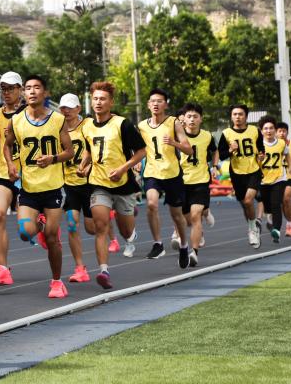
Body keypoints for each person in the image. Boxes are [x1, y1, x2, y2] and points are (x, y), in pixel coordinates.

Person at [4, 75, 75, 298]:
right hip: (28, 188)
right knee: (25, 232)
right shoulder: (16, 120)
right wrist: (10, 165)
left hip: (53, 187)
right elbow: (7, 146)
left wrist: (53, 158)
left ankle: (56, 282)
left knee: (53, 238)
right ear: (24, 93)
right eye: (28, 88)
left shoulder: (57, 120)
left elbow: (69, 151)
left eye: (37, 88)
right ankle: (40, 226)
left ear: (45, 93)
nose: (32, 91)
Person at [79, 81, 147, 290]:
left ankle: (130, 234)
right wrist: (83, 165)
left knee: (126, 231)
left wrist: (123, 169)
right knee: (101, 226)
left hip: (122, 184)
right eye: (95, 98)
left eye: (103, 99)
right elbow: (90, 149)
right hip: (98, 183)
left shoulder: (122, 124)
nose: (98, 102)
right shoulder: (87, 125)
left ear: (111, 102)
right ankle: (104, 271)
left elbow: (141, 151)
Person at [138, 88, 192, 267]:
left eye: (159, 101)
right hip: (152, 172)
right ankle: (158, 244)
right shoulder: (142, 125)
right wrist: (137, 161)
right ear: (148, 104)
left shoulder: (174, 123)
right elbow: (137, 148)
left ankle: (184, 246)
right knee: (151, 204)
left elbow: (188, 149)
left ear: (166, 104)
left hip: (172, 174)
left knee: (176, 215)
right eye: (152, 101)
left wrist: (174, 143)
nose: (155, 104)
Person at [0, 71, 25, 286]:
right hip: (3, 171)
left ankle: (39, 227)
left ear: (20, 89)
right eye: (4, 89)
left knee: (26, 229)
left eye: (11, 88)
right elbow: (1, 136)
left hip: (27, 175)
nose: (6, 93)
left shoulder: (30, 113)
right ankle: (2, 269)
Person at [58, 94, 94, 283]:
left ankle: (108, 217)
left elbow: (98, 151)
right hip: (69, 184)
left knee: (92, 228)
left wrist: (88, 168)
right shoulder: (57, 128)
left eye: (70, 107)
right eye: (63, 107)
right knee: (72, 224)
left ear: (79, 108)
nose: (67, 111)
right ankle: (80, 268)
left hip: (89, 183)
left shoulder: (87, 126)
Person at [218, 105, 264, 249]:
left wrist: (261, 155)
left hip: (253, 170)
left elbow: (261, 148)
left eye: (240, 114)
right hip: (237, 172)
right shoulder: (226, 134)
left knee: (249, 200)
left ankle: (252, 229)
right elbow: (221, 155)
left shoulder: (255, 131)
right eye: (235, 114)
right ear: (231, 117)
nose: (237, 117)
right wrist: (231, 150)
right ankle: (252, 224)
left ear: (246, 116)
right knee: (245, 203)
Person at [179, 104, 218, 267]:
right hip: (181, 182)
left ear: (201, 119)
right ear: (184, 119)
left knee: (195, 216)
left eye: (195, 116)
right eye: (189, 116)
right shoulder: (176, 136)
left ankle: (193, 252)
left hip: (201, 180)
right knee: (187, 220)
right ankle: (203, 221)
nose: (192, 119)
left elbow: (215, 151)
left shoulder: (207, 136)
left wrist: (214, 166)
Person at [256, 115, 291, 243]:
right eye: (265, 128)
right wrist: (258, 160)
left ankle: (276, 230)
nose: (268, 131)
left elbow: (287, 155)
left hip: (279, 178)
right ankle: (270, 218)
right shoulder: (257, 145)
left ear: (275, 129)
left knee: (276, 204)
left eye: (271, 128)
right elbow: (252, 162)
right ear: (262, 131)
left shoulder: (281, 143)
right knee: (267, 206)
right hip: (263, 180)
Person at [276, 122, 291, 237]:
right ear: (276, 132)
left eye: (284, 131)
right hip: (278, 177)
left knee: (285, 199)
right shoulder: (272, 145)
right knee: (282, 202)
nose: (281, 133)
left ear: (287, 132)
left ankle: (290, 225)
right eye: (279, 131)